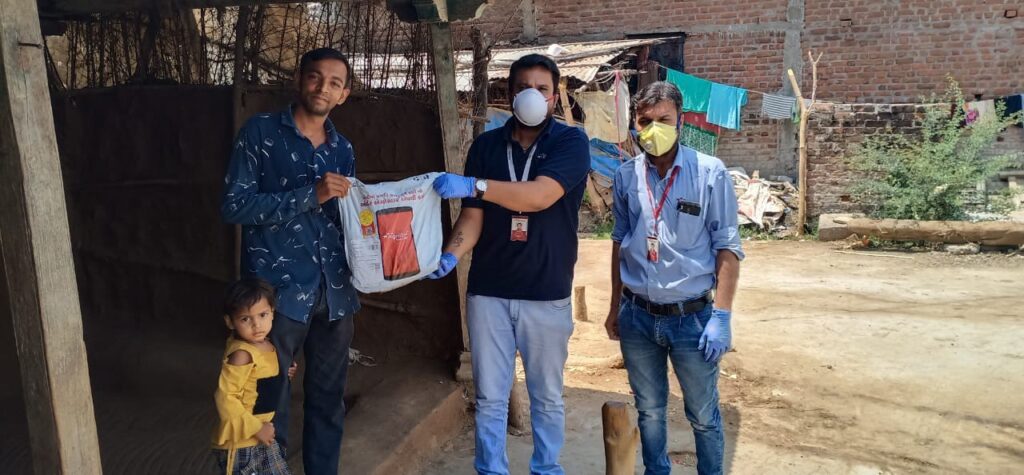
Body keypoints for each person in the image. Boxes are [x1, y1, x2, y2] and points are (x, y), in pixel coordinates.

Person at [429, 54, 591, 475]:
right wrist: (451, 253)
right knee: (490, 397)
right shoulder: (486, 146)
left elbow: (538, 196)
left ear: (554, 97)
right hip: (489, 291)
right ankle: (491, 469)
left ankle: (546, 468)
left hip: (546, 291)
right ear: (510, 93)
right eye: (523, 87)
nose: (532, 95)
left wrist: (476, 184)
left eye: (542, 88)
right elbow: (473, 216)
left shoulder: (570, 143)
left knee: (547, 396)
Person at [221, 47, 359, 474]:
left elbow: (347, 220)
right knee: (268, 404)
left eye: (334, 83)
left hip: (335, 293)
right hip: (276, 297)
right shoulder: (260, 133)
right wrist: (309, 195)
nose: (323, 88)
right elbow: (234, 206)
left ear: (344, 94)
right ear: (299, 79)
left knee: (328, 401)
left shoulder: (343, 149)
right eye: (315, 77)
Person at [603, 81, 743, 475]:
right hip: (638, 317)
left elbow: (728, 248)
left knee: (703, 414)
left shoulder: (709, 173)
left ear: (680, 121)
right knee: (649, 410)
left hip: (692, 320)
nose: (653, 130)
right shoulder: (626, 176)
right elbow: (620, 241)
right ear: (635, 124)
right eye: (644, 121)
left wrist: (722, 317)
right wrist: (614, 307)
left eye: (663, 120)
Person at [212, 278, 293, 475]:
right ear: (230, 322)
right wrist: (257, 428)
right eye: (245, 319)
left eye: (262, 315)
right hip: (242, 443)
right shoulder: (242, 354)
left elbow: (259, 381)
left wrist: (283, 374)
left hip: (262, 436)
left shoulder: (266, 344)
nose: (257, 325)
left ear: (272, 312)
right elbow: (225, 397)